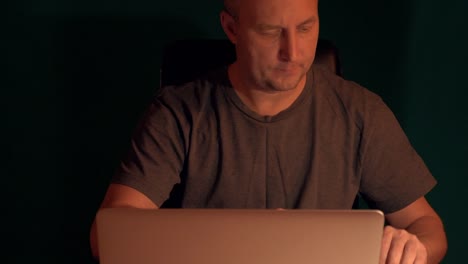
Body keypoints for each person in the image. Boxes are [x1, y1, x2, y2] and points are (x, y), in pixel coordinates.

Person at [90, 0, 447, 263]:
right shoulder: (177, 112)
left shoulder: (360, 112)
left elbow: (427, 226)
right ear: (231, 28)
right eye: (271, 31)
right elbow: (109, 235)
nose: (293, 52)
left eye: (306, 28)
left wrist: (415, 249)